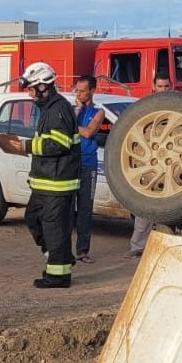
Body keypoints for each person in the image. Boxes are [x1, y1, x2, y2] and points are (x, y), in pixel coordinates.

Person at [0, 62, 81, 289]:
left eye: (32, 88)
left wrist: (25, 146)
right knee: (33, 219)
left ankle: (59, 275)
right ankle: (61, 255)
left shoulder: (58, 109)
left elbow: (59, 144)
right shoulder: (47, 108)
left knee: (54, 228)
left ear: (44, 86)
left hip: (58, 183)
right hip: (45, 181)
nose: (30, 93)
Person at [125, 73, 173, 259]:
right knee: (143, 209)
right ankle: (137, 247)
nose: (163, 90)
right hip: (147, 164)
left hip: (169, 165)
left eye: (166, 86)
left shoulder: (177, 108)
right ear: (153, 87)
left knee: (169, 210)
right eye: (160, 86)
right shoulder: (144, 108)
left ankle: (165, 249)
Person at [71, 76, 106, 264]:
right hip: (71, 163)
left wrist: (72, 126)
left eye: (83, 90)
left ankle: (82, 251)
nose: (79, 94)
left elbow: (88, 132)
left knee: (85, 209)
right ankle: (63, 251)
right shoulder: (72, 110)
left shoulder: (98, 112)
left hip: (88, 164)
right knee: (67, 209)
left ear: (92, 91)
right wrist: (77, 110)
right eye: (77, 90)